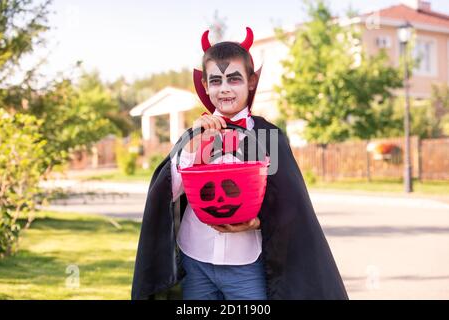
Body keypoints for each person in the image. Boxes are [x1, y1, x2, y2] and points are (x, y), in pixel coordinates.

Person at [131, 27, 348, 300]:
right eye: (216, 81)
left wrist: (258, 223)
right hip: (194, 256)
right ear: (205, 86)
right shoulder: (193, 135)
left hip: (246, 263)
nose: (224, 89)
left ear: (251, 82)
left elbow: (288, 206)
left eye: (233, 79)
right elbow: (167, 194)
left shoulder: (268, 137)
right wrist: (192, 146)